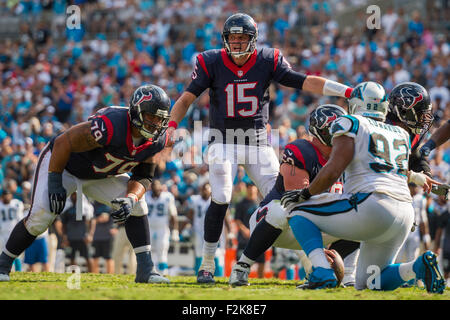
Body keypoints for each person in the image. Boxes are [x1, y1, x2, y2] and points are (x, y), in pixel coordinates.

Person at [166, 12, 354, 284]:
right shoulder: (211, 61)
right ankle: (207, 264)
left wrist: (345, 91)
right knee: (222, 195)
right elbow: (186, 98)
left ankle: (310, 261)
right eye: (233, 38)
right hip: (223, 140)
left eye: (243, 38)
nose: (238, 43)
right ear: (225, 39)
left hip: (257, 141)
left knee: (289, 199)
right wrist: (172, 125)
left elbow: (304, 80)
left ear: (253, 39)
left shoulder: (268, 59)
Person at [281, 81, 445, 293]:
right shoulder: (402, 134)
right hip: (404, 212)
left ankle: (321, 271)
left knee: (297, 210)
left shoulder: (351, 123)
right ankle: (416, 267)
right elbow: (391, 170)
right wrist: (419, 177)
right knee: (370, 281)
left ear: (356, 104)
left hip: (371, 204)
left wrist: (305, 193)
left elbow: (333, 170)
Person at [0, 84, 171, 284]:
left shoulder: (157, 140)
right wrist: (55, 180)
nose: (156, 123)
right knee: (41, 217)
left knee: (138, 205)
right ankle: (3, 264)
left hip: (100, 175)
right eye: (151, 116)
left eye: (160, 118)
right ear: (136, 112)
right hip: (64, 165)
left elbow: (144, 176)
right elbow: (64, 142)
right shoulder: (111, 125)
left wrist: (130, 198)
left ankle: (145, 270)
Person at [229, 104, 358, 286]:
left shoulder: (347, 158)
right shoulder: (301, 150)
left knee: (362, 215)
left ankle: (348, 276)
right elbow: (297, 203)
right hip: (276, 223)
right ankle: (242, 267)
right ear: (321, 131)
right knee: (280, 210)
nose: (341, 137)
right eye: (336, 131)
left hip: (317, 226)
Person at [187, 183, 227, 277]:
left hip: (214, 231)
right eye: (203, 189)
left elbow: (226, 217)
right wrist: (189, 227)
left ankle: (219, 276)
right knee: (199, 255)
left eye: (207, 189)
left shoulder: (216, 200)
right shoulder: (195, 200)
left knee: (217, 255)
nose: (205, 191)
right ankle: (199, 274)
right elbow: (190, 215)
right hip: (199, 231)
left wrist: (228, 234)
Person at [145, 179, 179, 275]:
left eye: (158, 186)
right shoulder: (146, 196)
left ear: (161, 187)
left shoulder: (167, 197)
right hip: (149, 228)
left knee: (162, 250)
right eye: (154, 186)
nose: (156, 188)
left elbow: (173, 215)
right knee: (149, 250)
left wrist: (175, 230)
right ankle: (150, 271)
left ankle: (163, 272)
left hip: (162, 228)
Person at [234, 183, 265, 279]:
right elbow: (237, 219)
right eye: (249, 188)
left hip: (259, 237)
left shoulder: (262, 203)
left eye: (253, 187)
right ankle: (239, 278)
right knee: (241, 260)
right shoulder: (240, 204)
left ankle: (261, 280)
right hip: (244, 238)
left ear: (257, 189)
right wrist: (244, 230)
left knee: (261, 261)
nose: (251, 190)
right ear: (246, 189)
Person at [60, 193, 95, 272]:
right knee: (71, 258)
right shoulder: (67, 209)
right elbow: (64, 224)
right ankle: (74, 276)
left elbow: (92, 221)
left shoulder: (86, 208)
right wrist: (64, 237)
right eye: (72, 195)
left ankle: (93, 275)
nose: (74, 196)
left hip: (83, 237)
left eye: (75, 195)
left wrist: (90, 235)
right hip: (71, 237)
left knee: (88, 257)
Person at [0, 190, 24, 272]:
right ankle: (7, 270)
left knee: (16, 253)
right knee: (4, 253)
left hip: (14, 232)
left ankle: (18, 271)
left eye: (9, 195)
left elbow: (20, 218)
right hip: (3, 233)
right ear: (2, 197)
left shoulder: (16, 204)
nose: (8, 197)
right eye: (6, 195)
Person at [92, 203, 117, 274]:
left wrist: (116, 228)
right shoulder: (94, 205)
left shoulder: (110, 204)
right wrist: (98, 219)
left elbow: (116, 218)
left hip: (108, 236)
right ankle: (94, 275)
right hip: (96, 236)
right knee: (95, 257)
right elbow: (91, 219)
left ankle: (110, 275)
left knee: (109, 257)